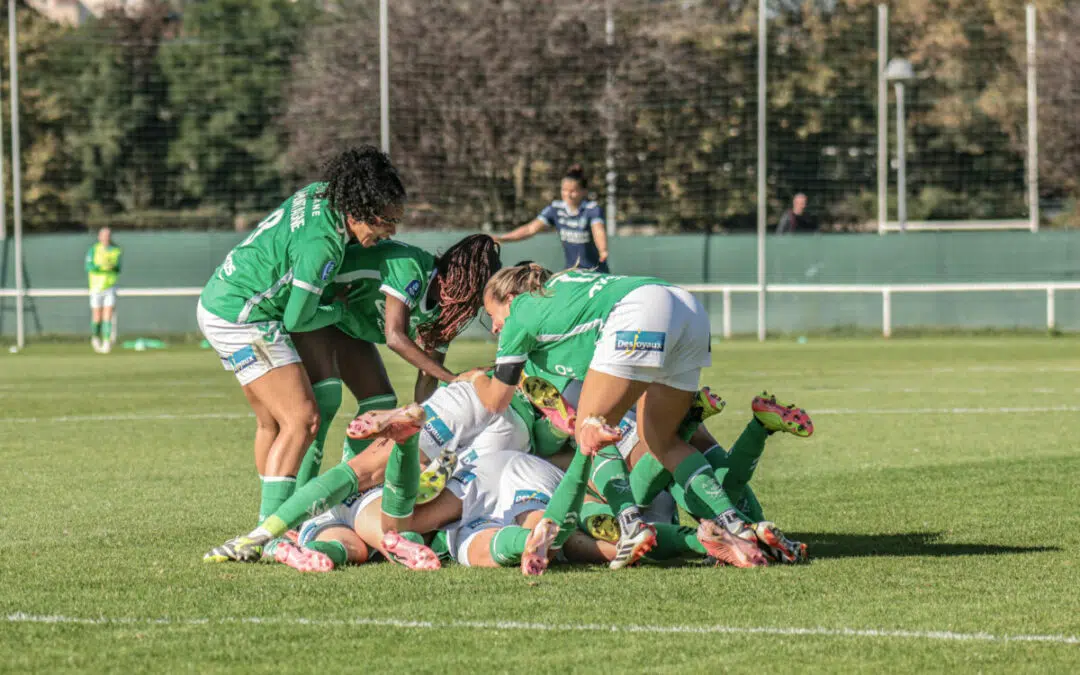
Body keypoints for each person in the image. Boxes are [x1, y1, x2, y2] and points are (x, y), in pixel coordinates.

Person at [466, 263, 772, 570]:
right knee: (662, 440)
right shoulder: (564, 289)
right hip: (686, 308)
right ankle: (736, 524)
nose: (494, 328)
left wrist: (472, 378)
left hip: (639, 311)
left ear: (509, 296)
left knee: (591, 428)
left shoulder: (520, 311)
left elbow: (496, 399)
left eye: (491, 315)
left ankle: (631, 526)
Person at [198, 145, 405, 548]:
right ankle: (272, 536)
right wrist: (339, 310)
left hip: (220, 301)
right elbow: (297, 318)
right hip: (244, 317)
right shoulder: (323, 245)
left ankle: (277, 519)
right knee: (303, 419)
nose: (390, 233)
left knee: (272, 424)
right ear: (361, 209)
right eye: (387, 222)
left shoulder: (320, 194)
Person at [288, 235, 501, 491]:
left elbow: (428, 376)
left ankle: (351, 485)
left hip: (347, 325)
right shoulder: (411, 267)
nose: (472, 307)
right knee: (326, 400)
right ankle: (297, 501)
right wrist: (454, 379)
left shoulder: (448, 313)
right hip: (320, 309)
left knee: (380, 402)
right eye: (473, 295)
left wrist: (423, 429)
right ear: (459, 280)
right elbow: (395, 337)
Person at [494, 165, 610, 272]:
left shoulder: (592, 209)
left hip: (597, 272)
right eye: (564, 190)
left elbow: (598, 230)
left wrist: (603, 250)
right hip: (572, 271)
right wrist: (503, 238)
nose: (567, 195)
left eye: (573, 191)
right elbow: (530, 229)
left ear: (583, 191)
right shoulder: (555, 209)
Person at [85, 227, 123, 354]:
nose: (106, 238)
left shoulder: (116, 250)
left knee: (108, 315)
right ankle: (95, 338)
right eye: (103, 235)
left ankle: (106, 341)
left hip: (110, 287)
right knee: (97, 316)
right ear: (99, 237)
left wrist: (112, 267)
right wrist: (101, 267)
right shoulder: (93, 249)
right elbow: (88, 266)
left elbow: (118, 268)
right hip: (96, 287)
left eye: (108, 235)